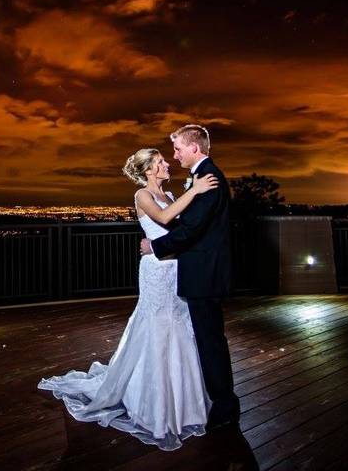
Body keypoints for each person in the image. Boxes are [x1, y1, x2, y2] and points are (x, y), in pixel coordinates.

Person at [37, 148, 218, 450]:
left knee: (180, 330)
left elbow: (184, 229)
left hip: (175, 269)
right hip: (156, 272)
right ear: (148, 171)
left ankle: (186, 403)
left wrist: (191, 197)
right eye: (160, 162)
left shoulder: (173, 194)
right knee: (155, 328)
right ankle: (153, 405)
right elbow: (163, 217)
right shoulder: (142, 196)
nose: (166, 164)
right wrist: (196, 190)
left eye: (164, 160)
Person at [140, 124, 241, 429]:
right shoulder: (202, 177)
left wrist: (154, 247)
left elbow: (191, 229)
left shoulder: (207, 178)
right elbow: (189, 223)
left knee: (210, 340)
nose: (175, 155)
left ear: (194, 148)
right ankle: (218, 399)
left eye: (178, 149)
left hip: (204, 274)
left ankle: (224, 406)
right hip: (202, 271)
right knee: (208, 338)